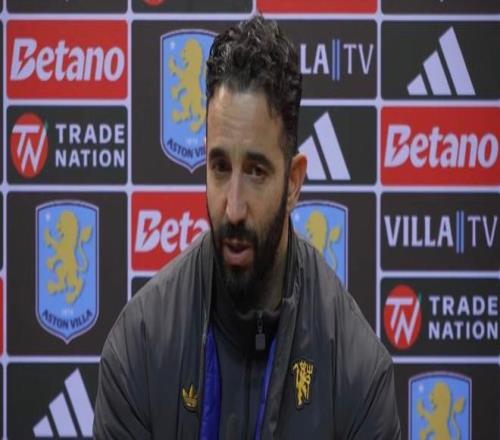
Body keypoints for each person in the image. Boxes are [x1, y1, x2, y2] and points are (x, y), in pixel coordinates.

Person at [94, 16, 401, 439]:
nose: (233, 208)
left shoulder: (357, 372)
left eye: (256, 171)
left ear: (293, 182)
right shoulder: (139, 350)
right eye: (220, 168)